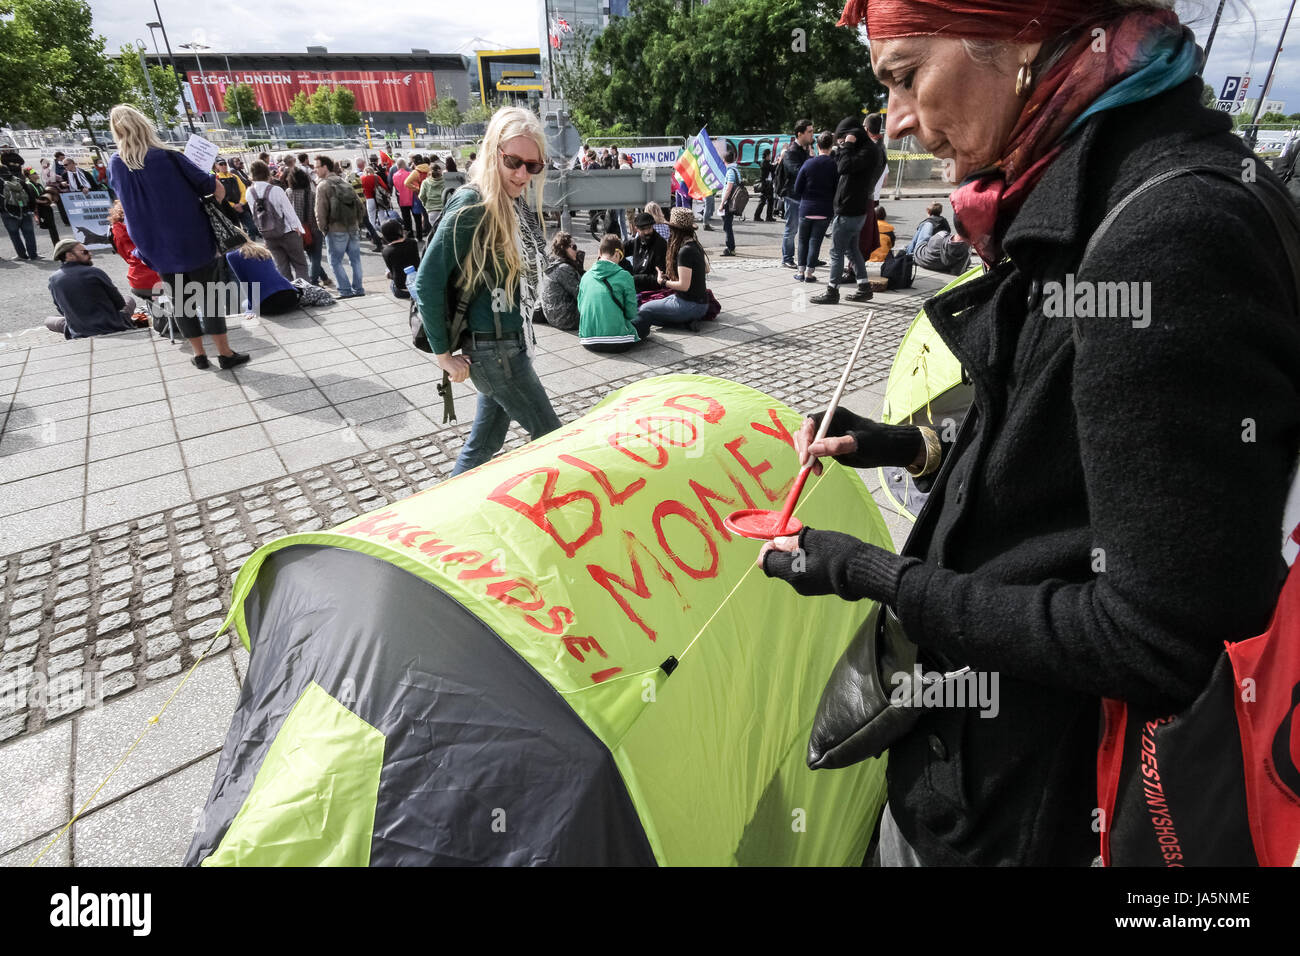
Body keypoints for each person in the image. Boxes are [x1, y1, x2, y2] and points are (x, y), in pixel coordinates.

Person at [759, 0, 1300, 867]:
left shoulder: (1162, 233)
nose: (894, 118)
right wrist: (904, 445)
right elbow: (1072, 451)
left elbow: (1156, 641)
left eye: (903, 77)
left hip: (1040, 812)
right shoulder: (1088, 182)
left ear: (1013, 37)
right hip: (983, 778)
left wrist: (868, 572)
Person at [414, 106, 562, 476]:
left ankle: (446, 511)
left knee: (485, 443)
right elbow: (427, 280)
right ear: (493, 150)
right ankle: (547, 512)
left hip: (511, 344)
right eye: (513, 161)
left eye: (533, 166)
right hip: (495, 352)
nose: (522, 174)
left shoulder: (511, 203)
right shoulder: (473, 204)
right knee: (551, 436)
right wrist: (443, 356)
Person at [107, 105, 248, 370]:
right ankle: (225, 353)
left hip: (153, 245)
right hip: (192, 237)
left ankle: (199, 355)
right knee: (210, 298)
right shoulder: (168, 156)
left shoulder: (115, 163)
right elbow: (212, 187)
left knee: (181, 301)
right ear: (144, 125)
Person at [811, 116, 882, 304]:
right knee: (852, 250)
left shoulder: (866, 151)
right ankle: (864, 287)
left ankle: (832, 291)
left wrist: (847, 146)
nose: (840, 143)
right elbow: (842, 165)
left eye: (842, 138)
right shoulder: (865, 149)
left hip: (850, 210)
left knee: (836, 252)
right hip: (855, 209)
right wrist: (846, 147)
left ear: (852, 135)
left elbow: (842, 167)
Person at [46, 239, 139, 337]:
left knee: (48, 321)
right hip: (111, 324)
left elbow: (61, 309)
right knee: (129, 299)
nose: (90, 254)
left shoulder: (53, 279)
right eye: (84, 252)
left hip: (79, 329)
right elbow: (120, 303)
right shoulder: (94, 272)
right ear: (69, 256)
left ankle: (74, 327)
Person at [637, 207, 711, 331]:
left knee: (644, 310)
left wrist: (663, 281)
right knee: (647, 306)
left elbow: (684, 286)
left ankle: (684, 323)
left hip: (691, 304)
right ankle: (685, 321)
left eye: (670, 228)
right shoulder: (694, 243)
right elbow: (706, 269)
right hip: (699, 303)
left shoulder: (685, 251)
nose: (669, 231)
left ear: (675, 230)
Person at [579, 233, 652, 353]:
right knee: (646, 316)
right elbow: (630, 313)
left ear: (599, 252)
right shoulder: (624, 275)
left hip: (588, 340)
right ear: (617, 253)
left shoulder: (585, 277)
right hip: (618, 341)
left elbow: (581, 308)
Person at [245, 159, 308, 281]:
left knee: (282, 268)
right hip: (288, 232)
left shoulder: (249, 192)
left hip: (269, 235)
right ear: (267, 173)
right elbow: (289, 211)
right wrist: (298, 229)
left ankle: (290, 294)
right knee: (300, 265)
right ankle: (305, 293)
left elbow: (255, 214)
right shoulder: (276, 190)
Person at [313, 154, 366, 298]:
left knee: (335, 261)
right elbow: (360, 205)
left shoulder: (323, 186)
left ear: (325, 167)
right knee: (355, 260)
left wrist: (324, 229)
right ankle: (359, 289)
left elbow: (320, 212)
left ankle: (345, 290)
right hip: (352, 227)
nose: (315, 170)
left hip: (336, 229)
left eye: (317, 167)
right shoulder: (345, 182)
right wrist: (357, 223)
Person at [790, 131, 837, 283]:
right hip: (824, 210)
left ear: (817, 146)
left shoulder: (808, 163)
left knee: (802, 240)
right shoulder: (834, 165)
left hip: (806, 208)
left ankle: (801, 272)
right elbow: (837, 188)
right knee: (815, 241)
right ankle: (810, 274)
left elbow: (797, 187)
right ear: (831, 146)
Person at [107, 200, 161, 310]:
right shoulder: (143, 227)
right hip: (153, 279)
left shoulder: (116, 230)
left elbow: (126, 256)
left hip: (136, 279)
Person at [224, 241, 302, 316]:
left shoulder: (231, 255)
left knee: (244, 304)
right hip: (291, 297)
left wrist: (251, 309)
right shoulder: (261, 249)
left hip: (268, 304)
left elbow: (245, 284)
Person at [780, 119, 814, 267]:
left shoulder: (804, 150)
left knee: (807, 230)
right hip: (793, 196)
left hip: (804, 197)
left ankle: (809, 258)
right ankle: (787, 258)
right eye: (810, 132)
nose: (813, 135)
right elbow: (799, 172)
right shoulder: (791, 152)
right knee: (792, 229)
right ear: (800, 134)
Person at [1, 151, 41, 260]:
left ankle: (22, 255)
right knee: (29, 233)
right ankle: (33, 255)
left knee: (14, 235)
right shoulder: (20, 179)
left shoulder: (1, 182)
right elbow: (30, 195)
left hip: (7, 211)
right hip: (24, 209)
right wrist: (31, 209)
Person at [539, 231, 582, 331]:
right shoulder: (564, 268)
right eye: (574, 247)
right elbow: (581, 294)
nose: (577, 250)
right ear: (564, 248)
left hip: (551, 316)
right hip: (566, 319)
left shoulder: (551, 263)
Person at [626, 211, 668, 292]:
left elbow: (659, 277)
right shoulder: (637, 241)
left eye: (649, 228)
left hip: (652, 290)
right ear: (636, 229)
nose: (646, 232)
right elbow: (617, 249)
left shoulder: (660, 244)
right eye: (642, 229)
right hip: (635, 285)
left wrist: (634, 278)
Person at [380, 218, 420, 298]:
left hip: (402, 291)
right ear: (400, 230)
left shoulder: (386, 251)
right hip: (418, 285)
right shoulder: (413, 243)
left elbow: (392, 273)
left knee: (389, 274)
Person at [718, 146, 742, 256]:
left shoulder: (730, 172)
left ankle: (730, 248)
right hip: (734, 202)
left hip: (728, 202)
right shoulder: (736, 170)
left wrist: (722, 203)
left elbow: (729, 188)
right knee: (727, 225)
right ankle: (730, 247)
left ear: (724, 160)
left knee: (727, 226)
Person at [754, 148, 777, 222]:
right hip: (766, 184)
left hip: (768, 184)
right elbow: (772, 168)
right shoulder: (765, 163)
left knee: (770, 201)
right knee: (763, 201)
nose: (770, 156)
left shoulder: (765, 162)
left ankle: (768, 216)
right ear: (767, 155)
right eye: (769, 155)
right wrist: (777, 162)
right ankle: (757, 216)